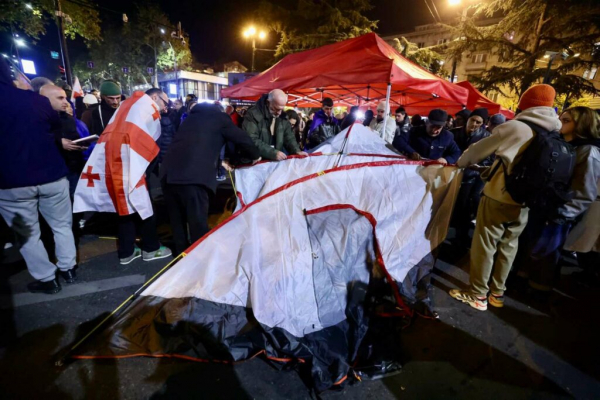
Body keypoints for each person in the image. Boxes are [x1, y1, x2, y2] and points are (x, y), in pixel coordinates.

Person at [448, 84, 560, 311]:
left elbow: (475, 152)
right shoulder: (552, 132)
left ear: (524, 105)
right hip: (526, 201)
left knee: (485, 245)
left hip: (499, 196)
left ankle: (477, 294)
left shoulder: (515, 127)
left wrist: (461, 164)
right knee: (509, 245)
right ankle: (497, 293)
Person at [0, 61, 77, 294]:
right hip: (51, 175)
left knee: (28, 235)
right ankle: (68, 268)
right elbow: (53, 129)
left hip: (12, 182)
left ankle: (47, 279)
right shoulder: (36, 101)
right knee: (62, 226)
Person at [161, 103, 261, 254]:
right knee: (197, 221)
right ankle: (199, 257)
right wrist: (255, 155)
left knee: (177, 220)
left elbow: (194, 146)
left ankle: (180, 254)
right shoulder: (220, 118)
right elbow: (241, 138)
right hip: (193, 178)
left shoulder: (189, 119)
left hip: (168, 175)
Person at [559, 107, 600, 287]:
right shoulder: (570, 145)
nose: (559, 123)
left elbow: (585, 190)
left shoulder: (589, 151)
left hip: (569, 211)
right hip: (563, 207)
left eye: (566, 120)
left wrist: (563, 213)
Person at [451, 108, 492, 247]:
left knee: (465, 206)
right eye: (472, 120)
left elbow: (490, 159)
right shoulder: (454, 133)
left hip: (472, 177)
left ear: (483, 124)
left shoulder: (487, 137)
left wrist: (476, 167)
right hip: (453, 175)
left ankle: (460, 237)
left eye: (478, 122)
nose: (474, 124)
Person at [40, 85, 87, 199]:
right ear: (45, 98)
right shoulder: (37, 119)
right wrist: (58, 142)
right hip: (52, 174)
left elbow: (74, 137)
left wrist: (80, 145)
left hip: (73, 167)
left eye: (65, 98)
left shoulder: (68, 118)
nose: (66, 102)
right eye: (60, 98)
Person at [242, 89, 308, 160]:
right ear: (268, 102)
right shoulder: (253, 114)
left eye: (281, 109)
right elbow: (251, 139)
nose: (279, 113)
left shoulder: (283, 117)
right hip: (257, 161)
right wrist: (272, 153)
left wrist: (296, 150)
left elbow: (289, 137)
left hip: (273, 162)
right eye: (276, 109)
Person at [393, 109, 462, 165]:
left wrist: (446, 159)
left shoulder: (447, 136)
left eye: (438, 128)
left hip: (434, 171)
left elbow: (457, 152)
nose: (434, 131)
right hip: (414, 168)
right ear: (427, 122)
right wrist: (411, 152)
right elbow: (398, 141)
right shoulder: (415, 131)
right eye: (432, 126)